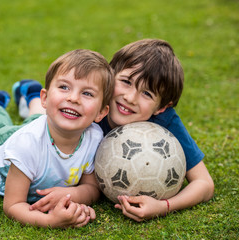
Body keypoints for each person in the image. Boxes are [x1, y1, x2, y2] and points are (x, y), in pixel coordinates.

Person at [30, 39, 214, 222]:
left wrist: (164, 206)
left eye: (147, 93)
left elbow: (204, 184)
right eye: (126, 81)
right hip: (44, 123)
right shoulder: (89, 106)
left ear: (162, 107)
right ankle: (31, 95)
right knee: (37, 118)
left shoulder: (165, 122)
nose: (130, 97)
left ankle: (30, 94)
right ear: (110, 76)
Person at [0, 49, 115, 228]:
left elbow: (92, 188)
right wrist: (49, 220)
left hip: (45, 126)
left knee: (38, 119)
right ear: (45, 98)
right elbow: (13, 205)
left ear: (101, 112)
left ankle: (30, 95)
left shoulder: (93, 137)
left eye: (87, 93)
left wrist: (71, 195)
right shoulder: (26, 145)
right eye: (64, 87)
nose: (73, 98)